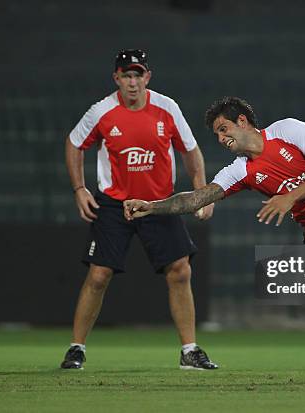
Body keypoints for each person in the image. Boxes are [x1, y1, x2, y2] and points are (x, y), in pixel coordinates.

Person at [123, 96, 305, 274]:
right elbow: (198, 198)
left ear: (242, 121)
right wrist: (152, 206)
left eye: (223, 129)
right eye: (216, 135)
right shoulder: (241, 170)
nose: (221, 139)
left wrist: (290, 197)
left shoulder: (287, 130)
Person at [61, 49, 218, 370]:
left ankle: (190, 351)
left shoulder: (166, 108)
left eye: (138, 75)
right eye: (126, 76)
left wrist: (202, 193)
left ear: (148, 77)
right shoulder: (101, 111)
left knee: (181, 270)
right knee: (99, 274)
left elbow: (191, 151)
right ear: (116, 78)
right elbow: (74, 143)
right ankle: (76, 348)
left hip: (157, 205)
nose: (132, 82)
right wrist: (79, 189)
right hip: (114, 205)